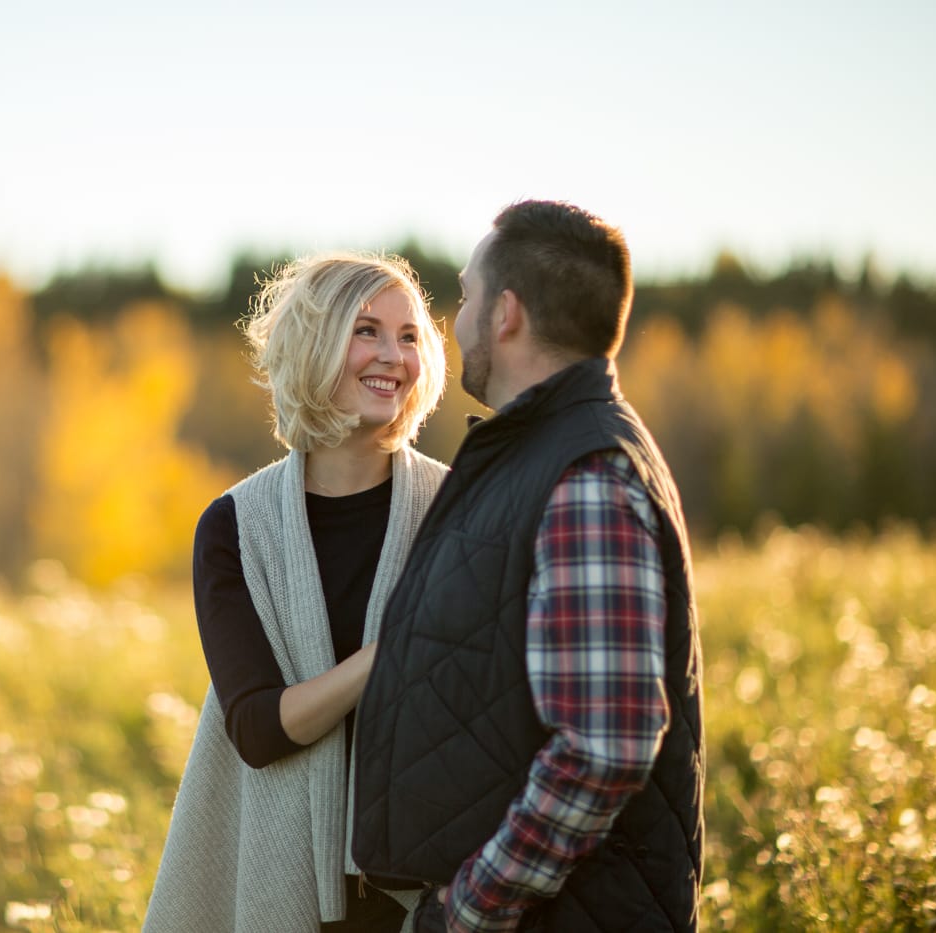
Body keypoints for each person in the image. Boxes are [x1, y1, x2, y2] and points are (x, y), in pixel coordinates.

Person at [352, 201, 704, 932]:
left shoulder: (586, 476)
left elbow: (605, 745)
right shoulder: (535, 458)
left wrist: (470, 906)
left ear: (505, 312)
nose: (458, 318)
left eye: (466, 296)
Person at [144, 253, 450, 932]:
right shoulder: (235, 527)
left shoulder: (457, 508)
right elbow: (257, 728)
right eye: (366, 329)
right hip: (284, 888)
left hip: (433, 895)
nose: (393, 355)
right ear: (314, 344)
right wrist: (390, 653)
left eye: (409, 336)